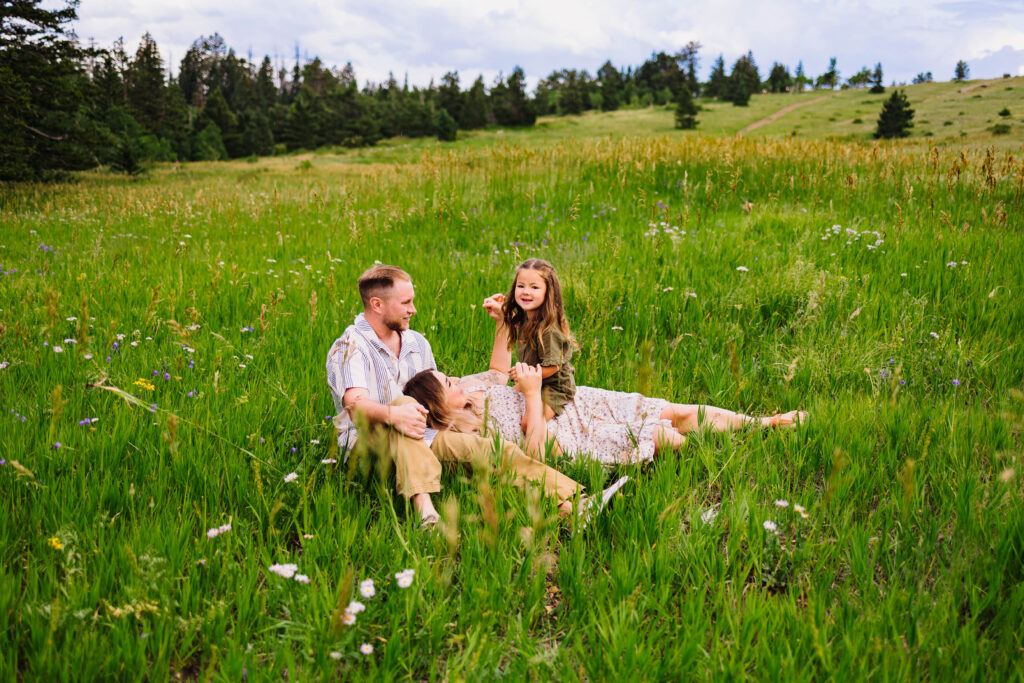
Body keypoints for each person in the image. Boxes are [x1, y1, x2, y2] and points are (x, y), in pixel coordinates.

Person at [325, 265, 612, 528]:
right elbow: (355, 406)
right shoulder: (351, 348)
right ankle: (424, 509)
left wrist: (500, 332)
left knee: (496, 451)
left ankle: (573, 505)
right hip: (373, 438)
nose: (413, 309)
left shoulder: (414, 342)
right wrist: (394, 415)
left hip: (425, 433)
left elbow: (437, 393)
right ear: (377, 304)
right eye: (405, 303)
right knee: (403, 405)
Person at [403, 293, 807, 466]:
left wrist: (500, 325)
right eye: (448, 383)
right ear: (439, 406)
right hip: (571, 434)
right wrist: (528, 394)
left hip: (578, 403)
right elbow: (536, 454)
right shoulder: (474, 434)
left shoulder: (474, 391)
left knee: (672, 410)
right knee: (665, 437)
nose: (456, 380)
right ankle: (725, 461)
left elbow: (495, 372)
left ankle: (763, 425)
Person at [501, 259, 576, 422]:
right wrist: (499, 306)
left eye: (534, 287)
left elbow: (553, 367)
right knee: (502, 401)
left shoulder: (549, 330)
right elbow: (511, 323)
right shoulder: (525, 317)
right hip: (534, 380)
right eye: (521, 286)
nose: (526, 292)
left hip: (554, 387)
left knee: (530, 423)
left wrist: (525, 374)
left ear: (548, 292)